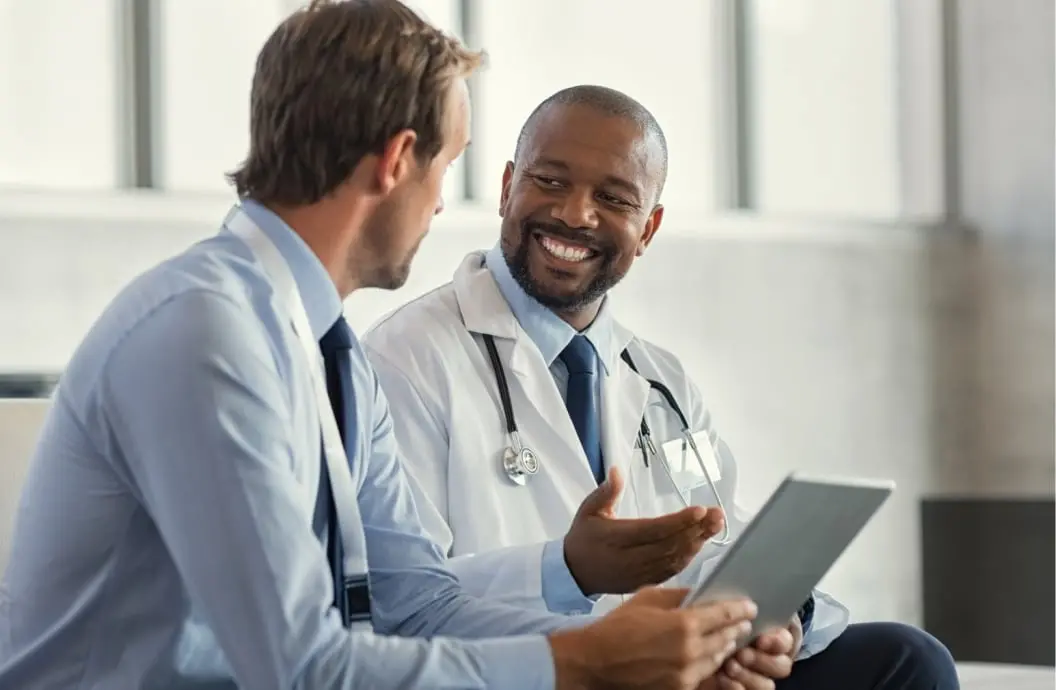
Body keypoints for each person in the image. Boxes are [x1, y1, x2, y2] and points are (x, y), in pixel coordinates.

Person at [0, 4, 764, 690]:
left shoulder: (330, 356)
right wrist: (589, 663)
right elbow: (302, 668)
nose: (440, 202)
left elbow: (414, 606)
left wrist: (637, 640)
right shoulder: (206, 336)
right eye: (448, 165)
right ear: (399, 160)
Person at [360, 84, 960, 690]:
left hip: (676, 670)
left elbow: (719, 536)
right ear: (507, 187)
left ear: (647, 229)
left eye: (613, 198)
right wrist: (566, 571)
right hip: (541, 675)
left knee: (908, 662)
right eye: (550, 181)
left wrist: (774, 623)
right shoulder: (407, 359)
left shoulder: (659, 382)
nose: (574, 214)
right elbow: (398, 600)